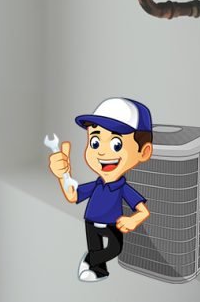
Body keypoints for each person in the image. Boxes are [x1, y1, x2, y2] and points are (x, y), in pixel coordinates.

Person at [48, 97, 153, 282]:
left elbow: (143, 210)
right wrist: (62, 176)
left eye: (116, 144)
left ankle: (89, 261)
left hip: (113, 224)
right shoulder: (96, 184)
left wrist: (133, 220)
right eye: (95, 142)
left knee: (115, 248)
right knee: (96, 248)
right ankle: (98, 270)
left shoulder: (122, 188)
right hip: (90, 221)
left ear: (143, 152)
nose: (102, 152)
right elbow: (72, 196)